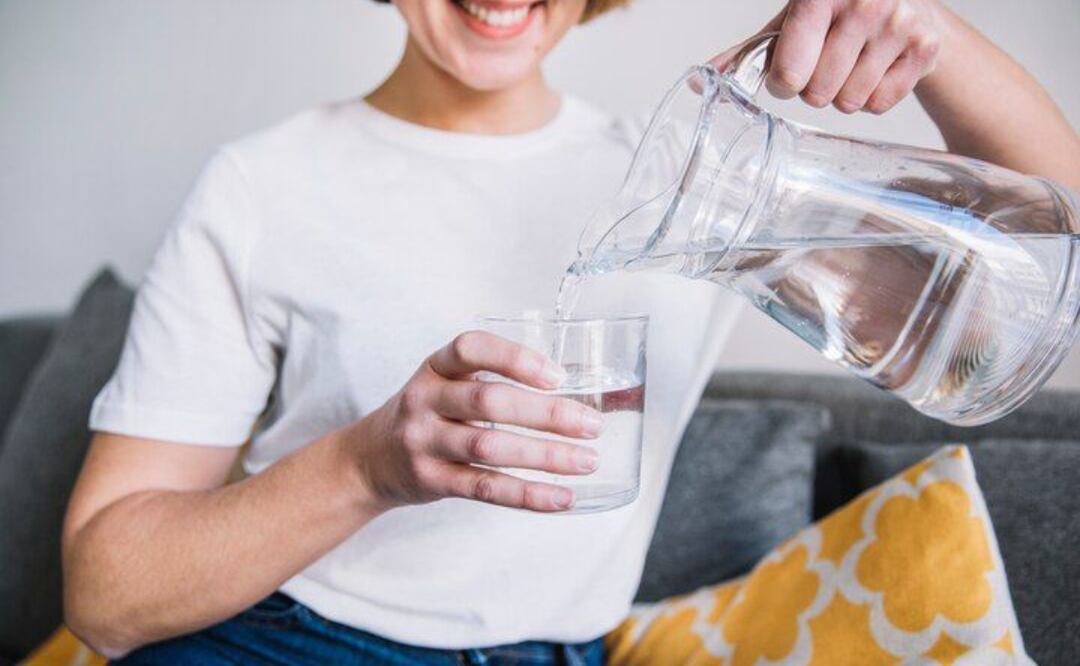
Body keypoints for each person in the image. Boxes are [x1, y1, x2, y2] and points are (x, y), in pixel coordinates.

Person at [62, 0, 1080, 663]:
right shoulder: (265, 185)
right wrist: (369, 466)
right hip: (288, 640)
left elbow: (1052, 259)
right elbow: (106, 596)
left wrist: (934, 35)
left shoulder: (691, 187)